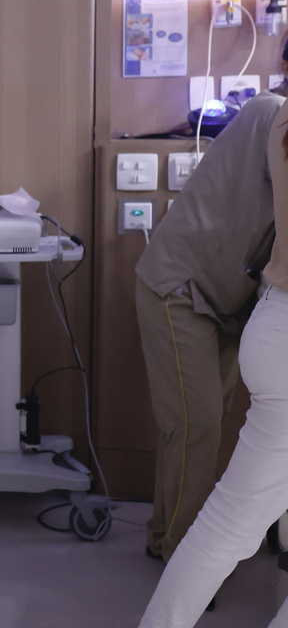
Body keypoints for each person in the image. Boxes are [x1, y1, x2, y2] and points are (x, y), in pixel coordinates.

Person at [138, 77, 288, 628]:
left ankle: (163, 534)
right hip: (180, 288)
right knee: (196, 423)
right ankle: (177, 549)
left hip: (232, 300)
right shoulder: (271, 112)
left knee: (199, 424)